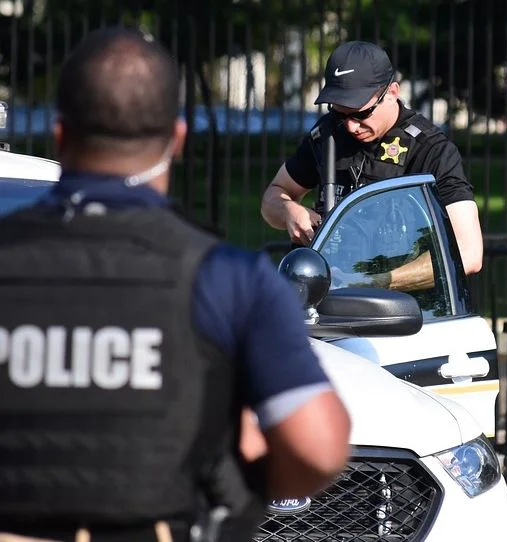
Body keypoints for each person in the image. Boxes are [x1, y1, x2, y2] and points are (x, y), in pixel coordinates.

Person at [0, 28, 351, 542]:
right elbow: (319, 448)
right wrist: (238, 486)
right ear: (178, 139)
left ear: (59, 135)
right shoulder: (228, 277)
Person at [260, 40, 483, 292]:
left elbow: (468, 253)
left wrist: (374, 282)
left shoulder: (432, 151)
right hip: (323, 303)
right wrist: (290, 211)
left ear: (392, 92)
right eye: (340, 113)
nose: (350, 126)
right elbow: (273, 197)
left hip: (400, 313)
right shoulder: (327, 134)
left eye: (361, 114)